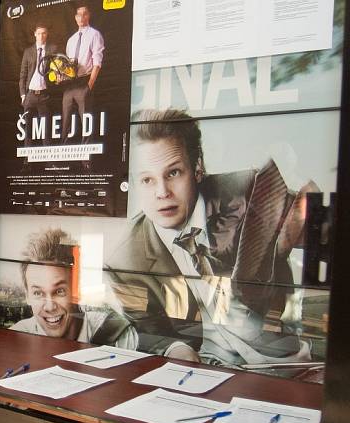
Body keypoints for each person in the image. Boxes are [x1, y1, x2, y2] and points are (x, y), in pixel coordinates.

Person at [106, 108, 311, 367]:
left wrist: (278, 241)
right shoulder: (124, 260)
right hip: (201, 368)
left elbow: (313, 210)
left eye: (173, 173)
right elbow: (152, 331)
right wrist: (176, 350)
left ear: (198, 168)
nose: (162, 192)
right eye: (147, 180)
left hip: (287, 360)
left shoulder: (247, 192)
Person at [10, 228, 136, 347]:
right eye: (38, 293)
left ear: (77, 290)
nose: (49, 307)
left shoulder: (118, 336)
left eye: (59, 291)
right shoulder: (15, 338)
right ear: (27, 296)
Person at [61, 4, 104, 143]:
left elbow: (97, 61)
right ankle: (62, 158)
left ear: (88, 16)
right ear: (75, 18)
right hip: (69, 85)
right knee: (65, 122)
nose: (81, 17)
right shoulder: (71, 40)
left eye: (84, 14)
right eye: (79, 15)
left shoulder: (94, 34)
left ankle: (86, 161)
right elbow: (67, 64)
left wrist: (89, 85)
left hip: (84, 82)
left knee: (86, 122)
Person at [19, 23, 56, 146]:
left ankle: (49, 163)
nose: (41, 36)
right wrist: (23, 95)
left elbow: (56, 71)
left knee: (46, 130)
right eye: (39, 33)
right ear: (35, 34)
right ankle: (26, 162)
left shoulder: (53, 49)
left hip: (44, 95)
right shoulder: (28, 51)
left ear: (47, 34)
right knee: (27, 129)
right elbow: (23, 75)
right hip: (30, 96)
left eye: (44, 33)